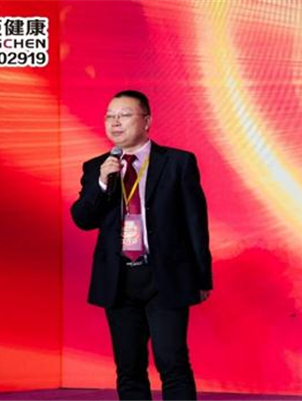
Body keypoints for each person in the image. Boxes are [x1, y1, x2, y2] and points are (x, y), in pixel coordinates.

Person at [71, 90, 212, 400]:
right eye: (110, 116)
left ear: (146, 121)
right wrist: (102, 184)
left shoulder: (177, 163)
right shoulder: (97, 167)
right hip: (119, 279)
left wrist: (202, 278)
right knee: (129, 367)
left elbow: (195, 223)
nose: (115, 122)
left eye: (124, 115)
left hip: (165, 276)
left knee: (172, 363)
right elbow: (82, 218)